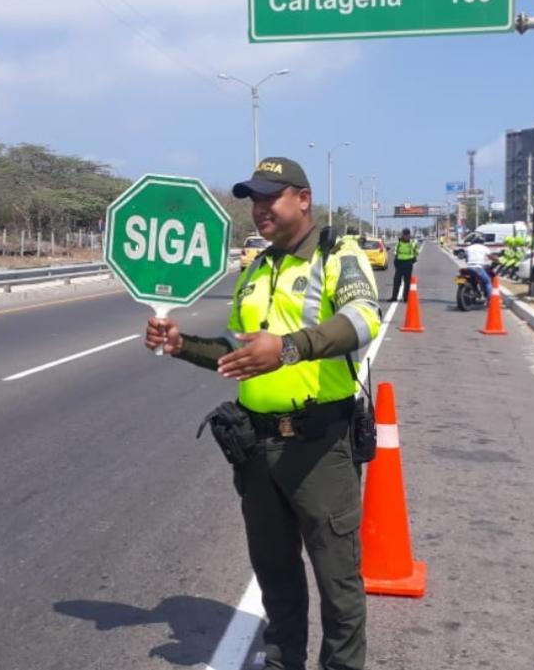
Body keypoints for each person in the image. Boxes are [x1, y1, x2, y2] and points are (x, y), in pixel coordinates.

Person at [145, 156, 380, 670]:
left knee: (338, 580)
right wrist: (182, 343)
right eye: (253, 198)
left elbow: (364, 320)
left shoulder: (338, 254)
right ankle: (282, 662)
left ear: (303, 198)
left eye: (270, 196)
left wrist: (290, 348)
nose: (259, 208)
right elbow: (236, 349)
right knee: (275, 574)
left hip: (321, 446)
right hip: (256, 447)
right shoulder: (256, 268)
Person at [390, 228, 419, 302]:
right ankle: (394, 297)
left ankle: (406, 298)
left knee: (407, 282)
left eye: (407, 235)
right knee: (397, 281)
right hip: (399, 263)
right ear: (402, 235)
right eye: (404, 235)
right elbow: (395, 251)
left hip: (408, 263)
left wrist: (413, 258)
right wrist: (396, 260)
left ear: (409, 235)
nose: (406, 236)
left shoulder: (412, 243)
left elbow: (416, 252)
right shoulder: (399, 242)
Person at [463, 235, 495, 302]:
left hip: (469, 267)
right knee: (487, 281)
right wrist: (498, 260)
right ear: (483, 242)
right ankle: (491, 300)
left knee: (473, 279)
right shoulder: (484, 248)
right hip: (478, 268)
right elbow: (490, 256)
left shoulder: (469, 247)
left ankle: (475, 291)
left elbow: (466, 257)